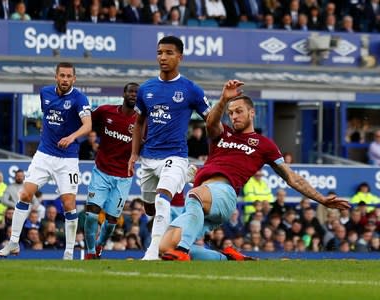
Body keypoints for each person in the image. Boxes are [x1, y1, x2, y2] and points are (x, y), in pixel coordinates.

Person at [159, 79, 351, 261]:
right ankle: (226, 258)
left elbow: (292, 178)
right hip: (203, 203)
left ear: (252, 113)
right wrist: (223, 99)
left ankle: (183, 250)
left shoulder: (264, 145)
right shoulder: (222, 133)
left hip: (223, 195)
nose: (234, 116)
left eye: (239, 111)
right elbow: (210, 123)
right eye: (231, 112)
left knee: (194, 195)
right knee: (165, 248)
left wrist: (322, 199)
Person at [0, 62, 91, 260]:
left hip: (68, 159)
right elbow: (48, 118)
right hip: (44, 155)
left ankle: (69, 252)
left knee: (69, 205)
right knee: (24, 194)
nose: (65, 79)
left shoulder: (79, 99)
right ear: (56, 77)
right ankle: (13, 242)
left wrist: (72, 137)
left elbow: (88, 125)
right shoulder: (45, 93)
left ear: (74, 79)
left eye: (68, 76)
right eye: (62, 75)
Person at [128, 36, 211, 260]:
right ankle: (184, 177)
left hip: (175, 155)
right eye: (159, 53)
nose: (162, 57)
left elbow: (211, 121)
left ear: (180, 57)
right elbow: (138, 123)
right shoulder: (146, 89)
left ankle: (152, 251)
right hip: (148, 158)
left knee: (163, 198)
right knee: (150, 209)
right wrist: (134, 154)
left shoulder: (190, 89)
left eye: (168, 53)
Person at [83, 82, 139, 259]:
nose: (133, 95)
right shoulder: (105, 111)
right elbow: (87, 123)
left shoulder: (142, 121)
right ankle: (91, 252)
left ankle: (100, 245)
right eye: (130, 91)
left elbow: (147, 144)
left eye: (137, 93)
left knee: (112, 221)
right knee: (91, 214)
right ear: (124, 93)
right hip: (101, 171)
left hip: (123, 177)